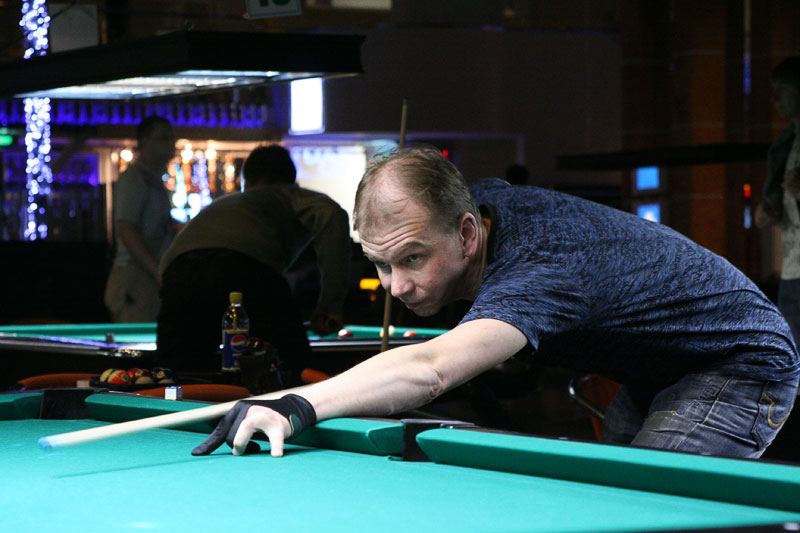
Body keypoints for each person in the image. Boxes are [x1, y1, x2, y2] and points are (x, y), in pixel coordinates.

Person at [192, 146, 799, 460]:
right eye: (380, 263)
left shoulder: (540, 268)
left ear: (467, 235)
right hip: (655, 371)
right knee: (612, 500)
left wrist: (296, 404)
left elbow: (431, 369)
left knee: (642, 511)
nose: (395, 286)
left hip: (737, 364)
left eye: (412, 259)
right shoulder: (478, 207)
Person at [156, 145, 351, 381]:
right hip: (243, 270)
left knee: (177, 374)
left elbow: (167, 268)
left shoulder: (225, 203)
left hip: (177, 274)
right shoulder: (291, 194)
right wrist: (330, 305)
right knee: (294, 367)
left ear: (246, 184)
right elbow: (332, 214)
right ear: (292, 181)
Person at [104, 115, 176, 322]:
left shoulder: (153, 181)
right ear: (144, 142)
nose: (171, 144)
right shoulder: (134, 178)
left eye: (171, 138)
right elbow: (126, 228)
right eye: (163, 138)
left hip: (145, 277)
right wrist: (157, 270)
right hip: (135, 278)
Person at [755, 56, 800, 345]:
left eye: (782, 89)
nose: (775, 99)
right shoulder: (787, 142)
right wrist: (769, 210)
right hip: (792, 266)